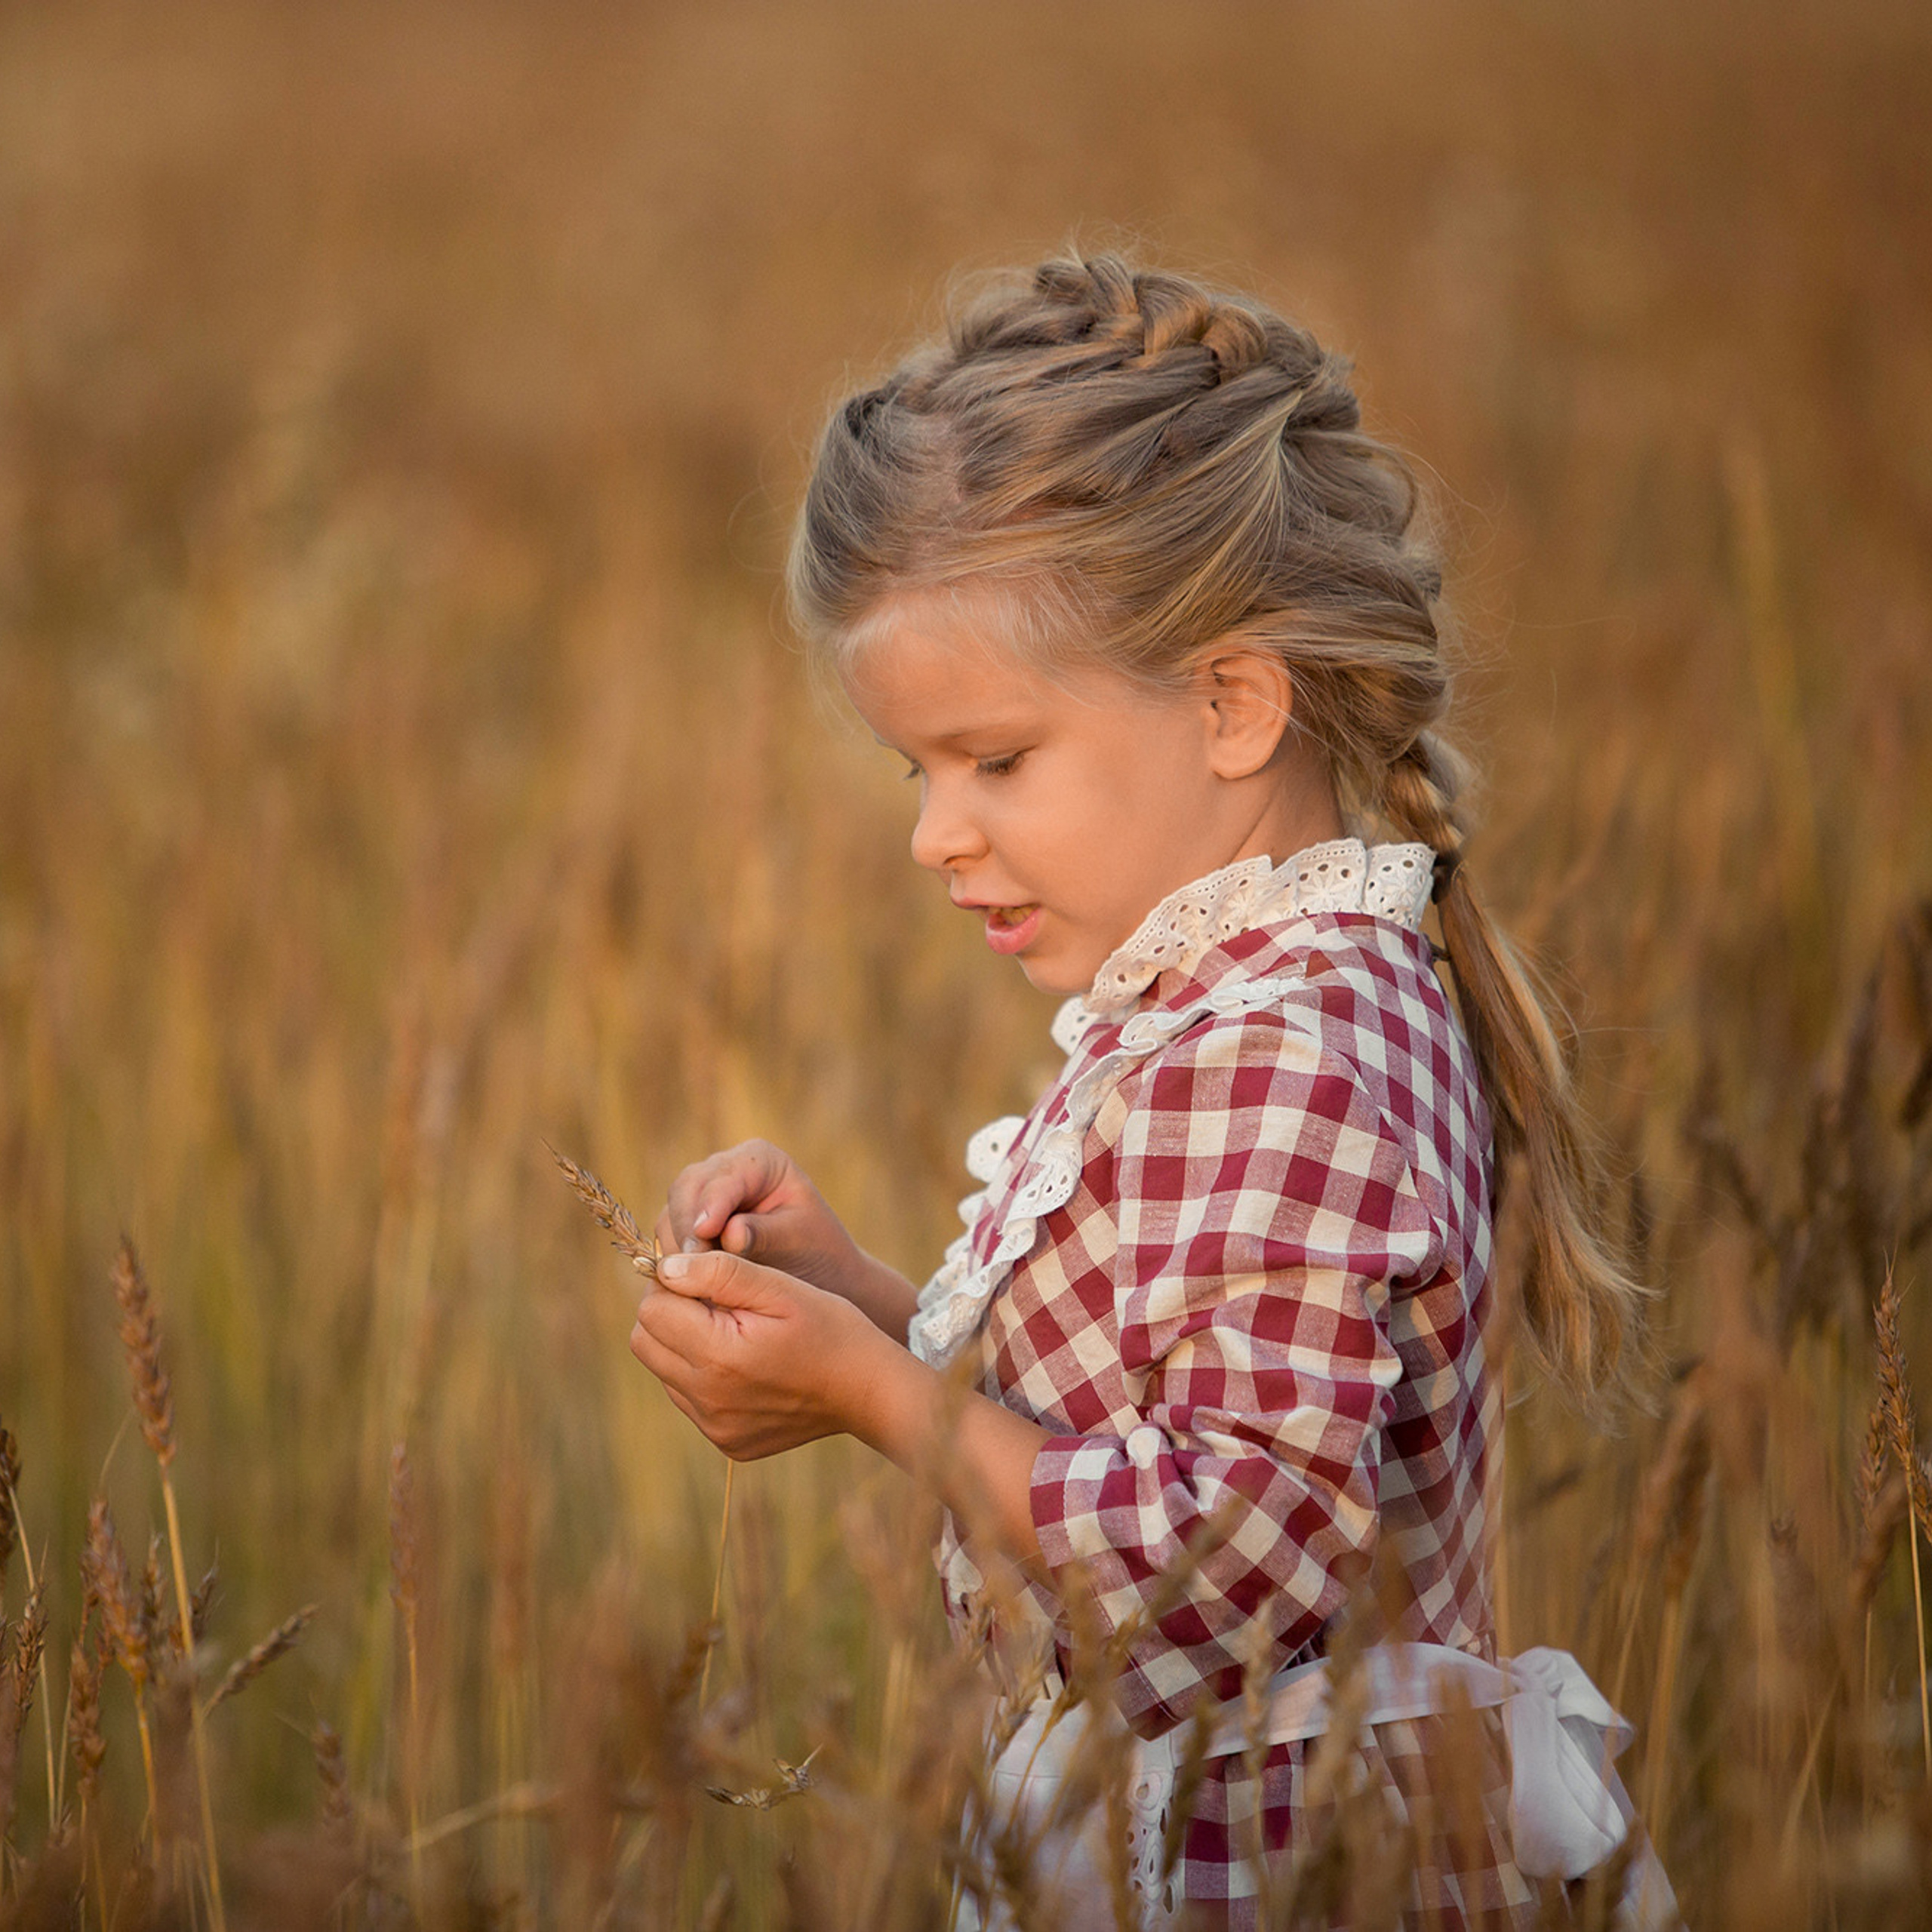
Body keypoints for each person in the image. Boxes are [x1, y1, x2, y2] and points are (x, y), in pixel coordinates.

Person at [626, 253, 1672, 1930]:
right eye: (917, 768)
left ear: (1232, 702)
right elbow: (1151, 1428)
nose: (931, 832)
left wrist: (877, 1402)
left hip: (1282, 1856)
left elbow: (1231, 1553)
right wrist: (871, 1315)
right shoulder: (1260, 995)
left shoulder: (1276, 1045)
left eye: (996, 758)